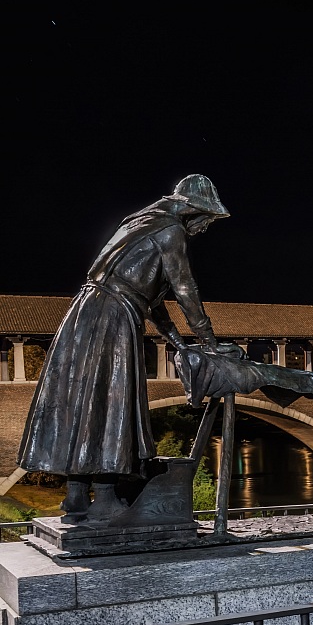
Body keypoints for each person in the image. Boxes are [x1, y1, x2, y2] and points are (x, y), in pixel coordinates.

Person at [18, 175, 229, 523]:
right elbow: (185, 288)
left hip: (85, 312)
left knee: (82, 400)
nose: (205, 227)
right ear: (193, 209)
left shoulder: (138, 223)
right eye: (207, 219)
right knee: (112, 400)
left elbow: (151, 301)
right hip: (114, 316)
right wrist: (209, 341)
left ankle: (75, 497)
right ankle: (105, 497)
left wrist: (178, 342)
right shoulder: (171, 231)